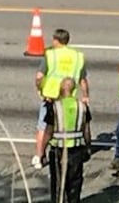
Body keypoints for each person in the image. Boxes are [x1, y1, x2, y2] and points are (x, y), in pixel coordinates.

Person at [32, 28, 89, 170]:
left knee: (44, 127)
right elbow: (83, 80)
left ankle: (39, 157)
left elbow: (39, 77)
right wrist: (85, 96)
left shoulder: (50, 54)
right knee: (69, 126)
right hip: (69, 97)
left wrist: (40, 89)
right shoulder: (78, 56)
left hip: (51, 97)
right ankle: (74, 151)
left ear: (55, 40)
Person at [37, 77, 92, 203]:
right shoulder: (82, 107)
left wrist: (42, 152)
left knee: (58, 185)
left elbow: (48, 132)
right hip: (77, 151)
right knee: (75, 184)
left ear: (60, 89)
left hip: (58, 152)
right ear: (74, 90)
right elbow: (87, 131)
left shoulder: (55, 107)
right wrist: (88, 148)